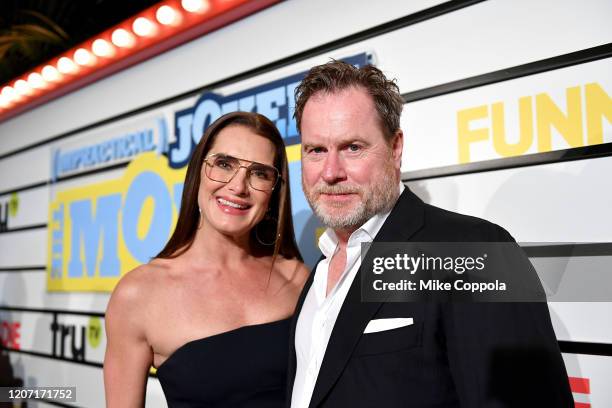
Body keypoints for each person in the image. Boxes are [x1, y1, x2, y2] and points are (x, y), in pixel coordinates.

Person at [288, 61, 573, 407]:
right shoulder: (317, 273)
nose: (331, 172)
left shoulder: (476, 253)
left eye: (353, 148)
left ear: (395, 149)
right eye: (316, 150)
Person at [104, 111, 309, 407]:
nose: (238, 186)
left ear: (274, 192)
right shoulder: (138, 295)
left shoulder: (297, 279)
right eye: (224, 164)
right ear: (198, 171)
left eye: (260, 173)